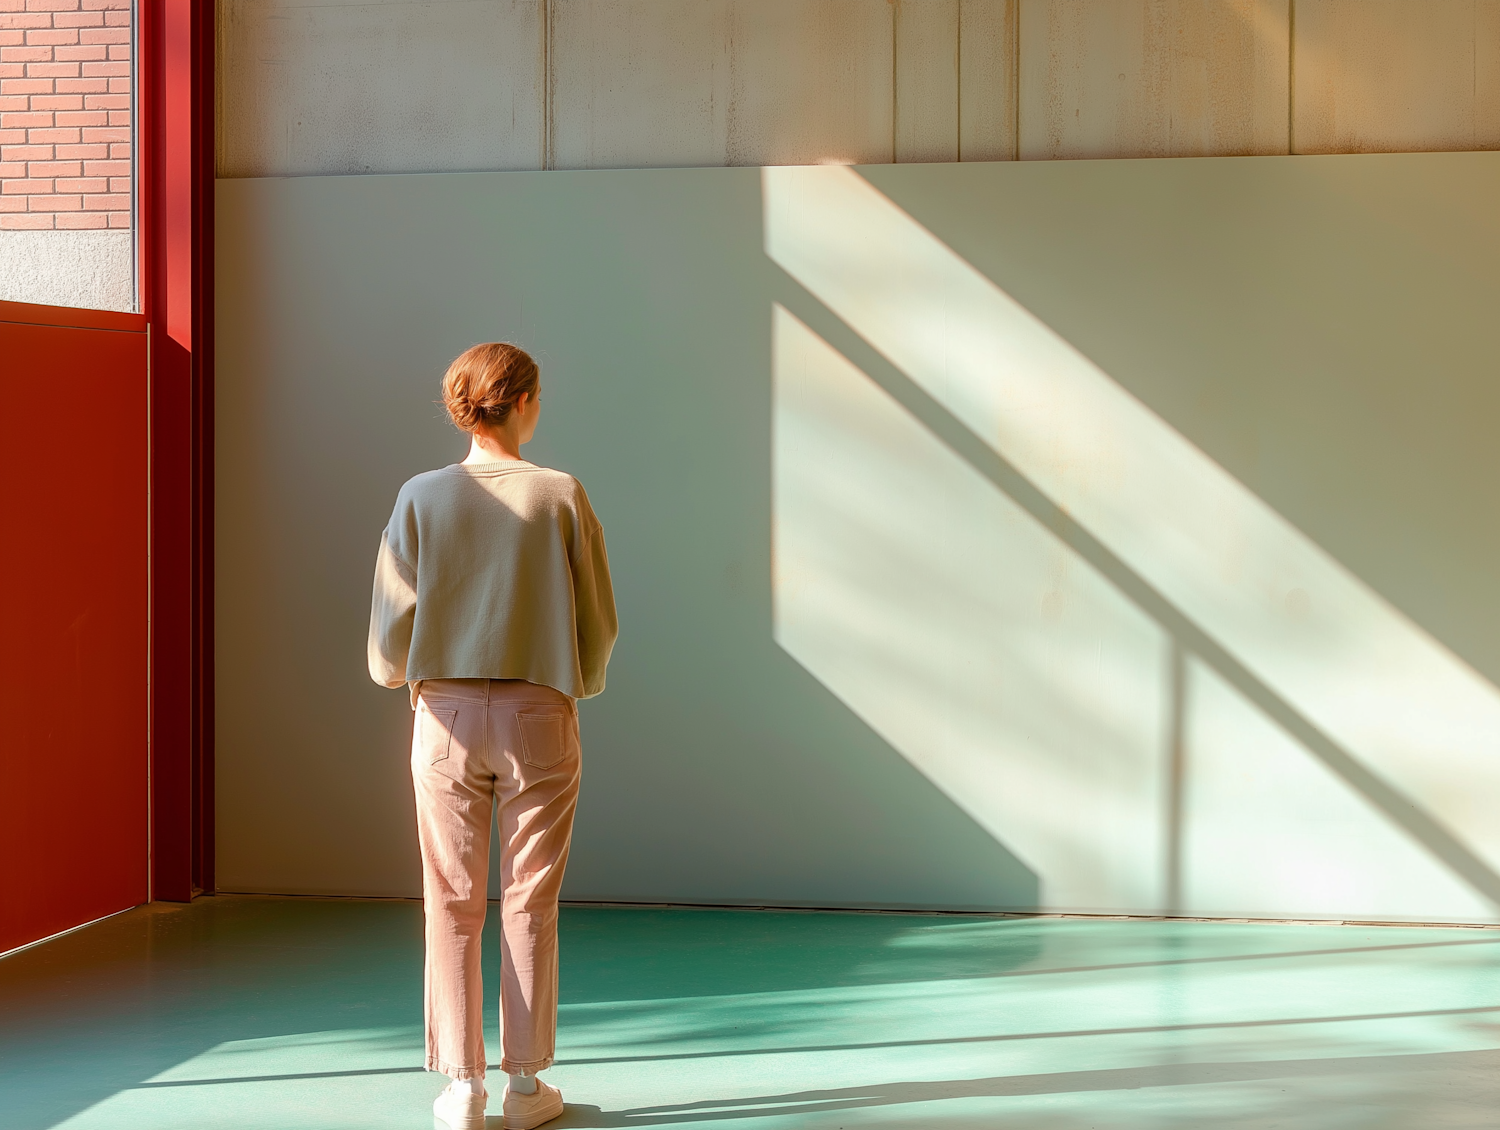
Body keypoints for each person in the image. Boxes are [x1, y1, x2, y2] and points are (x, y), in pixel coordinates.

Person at [368, 342, 618, 1130]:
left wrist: (400, 674)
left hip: (441, 717)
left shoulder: (419, 496)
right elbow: (596, 620)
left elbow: (389, 629)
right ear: (524, 403)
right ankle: (524, 1085)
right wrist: (576, 680)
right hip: (538, 712)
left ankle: (461, 1088)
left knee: (449, 898)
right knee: (529, 899)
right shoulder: (560, 493)